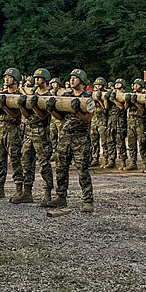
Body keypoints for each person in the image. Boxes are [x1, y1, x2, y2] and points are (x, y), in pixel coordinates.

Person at [46, 69, 94, 213]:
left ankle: (88, 201)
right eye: (71, 78)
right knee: (61, 168)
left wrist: (77, 111)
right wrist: (51, 110)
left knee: (82, 170)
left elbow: (87, 118)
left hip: (80, 138)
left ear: (82, 81)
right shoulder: (66, 96)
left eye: (75, 78)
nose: (72, 80)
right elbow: (60, 117)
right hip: (65, 136)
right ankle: (61, 196)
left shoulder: (88, 98)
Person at [13, 68, 54, 204]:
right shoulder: (33, 94)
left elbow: (42, 116)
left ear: (45, 80)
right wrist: (22, 107)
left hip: (41, 133)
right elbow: (27, 116)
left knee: (43, 164)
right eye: (35, 77)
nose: (36, 80)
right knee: (26, 162)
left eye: (39, 78)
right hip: (29, 132)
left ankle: (47, 193)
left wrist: (34, 105)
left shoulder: (49, 96)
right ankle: (27, 192)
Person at [0, 68, 24, 199]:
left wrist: (3, 106)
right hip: (1, 129)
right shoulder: (2, 94)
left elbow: (15, 115)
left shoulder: (19, 96)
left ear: (15, 80)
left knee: (15, 159)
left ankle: (19, 188)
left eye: (9, 77)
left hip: (14, 130)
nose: (6, 79)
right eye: (5, 77)